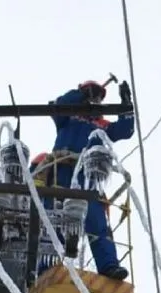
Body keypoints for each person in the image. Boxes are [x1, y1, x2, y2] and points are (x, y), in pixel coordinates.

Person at [34, 79, 134, 281]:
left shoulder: (102, 126)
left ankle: (109, 266)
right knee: (57, 217)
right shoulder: (68, 117)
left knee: (97, 221)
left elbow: (126, 130)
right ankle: (47, 266)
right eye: (92, 94)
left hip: (89, 177)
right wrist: (80, 94)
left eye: (98, 95)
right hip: (61, 170)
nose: (96, 99)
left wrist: (126, 103)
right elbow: (57, 106)